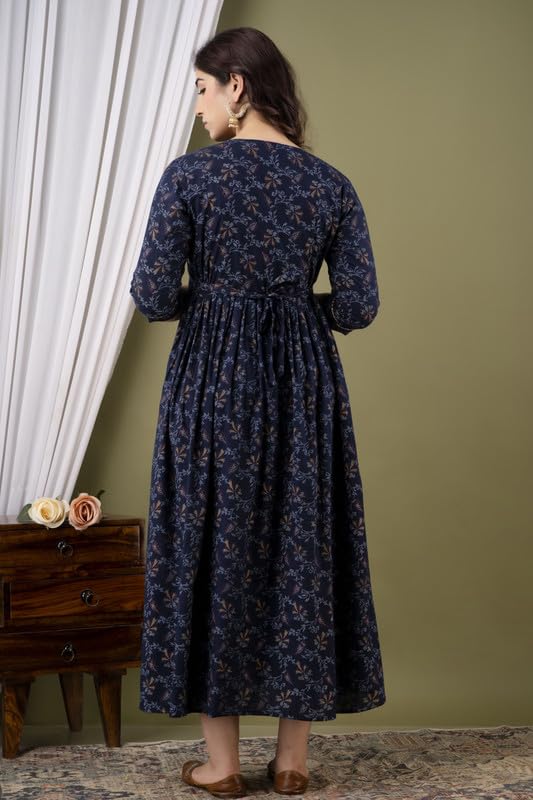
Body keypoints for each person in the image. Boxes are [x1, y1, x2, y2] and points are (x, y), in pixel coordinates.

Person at [130, 26, 386, 799]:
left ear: (236, 86)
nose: (198, 106)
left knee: (212, 540)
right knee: (300, 542)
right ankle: (292, 762)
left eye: (201, 89)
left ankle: (221, 766)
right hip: (303, 382)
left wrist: (211, 304)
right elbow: (359, 305)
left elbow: (151, 295)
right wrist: (297, 314)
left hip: (211, 378)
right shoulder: (330, 185)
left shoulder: (190, 177)